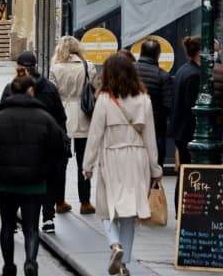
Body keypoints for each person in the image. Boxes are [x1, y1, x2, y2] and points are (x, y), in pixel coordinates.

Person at [83, 54, 163, 276]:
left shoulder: (105, 100)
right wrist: (155, 169)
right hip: (137, 159)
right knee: (130, 213)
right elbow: (150, 139)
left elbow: (95, 136)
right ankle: (124, 263)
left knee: (106, 208)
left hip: (111, 157)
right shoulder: (144, 100)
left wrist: (87, 165)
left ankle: (114, 244)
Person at [0, 76, 65, 276]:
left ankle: (9, 266)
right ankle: (31, 261)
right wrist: (50, 174)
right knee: (31, 227)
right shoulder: (45, 118)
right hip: (34, 182)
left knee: (7, 225)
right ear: (31, 91)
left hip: (5, 182)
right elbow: (59, 150)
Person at [1, 51, 70, 234]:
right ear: (36, 66)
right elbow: (60, 117)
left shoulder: (11, 88)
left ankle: (15, 217)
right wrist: (62, 140)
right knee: (47, 180)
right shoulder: (49, 87)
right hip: (45, 143)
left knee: (19, 180)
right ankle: (48, 218)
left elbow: (1, 115)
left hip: (17, 143)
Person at [48, 36, 98, 215]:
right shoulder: (87, 66)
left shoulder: (55, 68)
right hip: (83, 116)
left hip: (62, 118)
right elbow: (96, 87)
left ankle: (59, 201)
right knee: (83, 161)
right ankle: (85, 202)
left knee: (60, 162)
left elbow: (52, 93)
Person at [170, 36, 200, 216]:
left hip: (181, 131)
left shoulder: (184, 69)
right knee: (188, 173)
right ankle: (183, 212)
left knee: (183, 172)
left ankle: (179, 210)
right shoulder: (195, 75)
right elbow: (192, 106)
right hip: (189, 132)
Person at [135, 39, 173, 169]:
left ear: (141, 52)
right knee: (155, 165)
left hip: (131, 126)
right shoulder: (163, 76)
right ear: (158, 55)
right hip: (155, 127)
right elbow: (168, 105)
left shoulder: (129, 72)